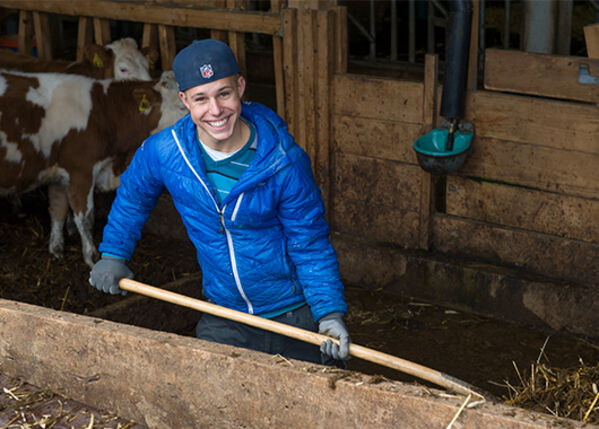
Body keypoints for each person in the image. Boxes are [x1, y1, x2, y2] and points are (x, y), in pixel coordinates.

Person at [89, 39, 350, 366]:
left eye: (224, 93)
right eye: (201, 98)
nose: (215, 110)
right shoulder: (166, 152)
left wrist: (329, 313)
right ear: (184, 100)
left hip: (293, 313)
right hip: (224, 313)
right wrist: (114, 253)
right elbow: (132, 197)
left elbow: (309, 241)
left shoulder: (283, 161)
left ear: (240, 87)